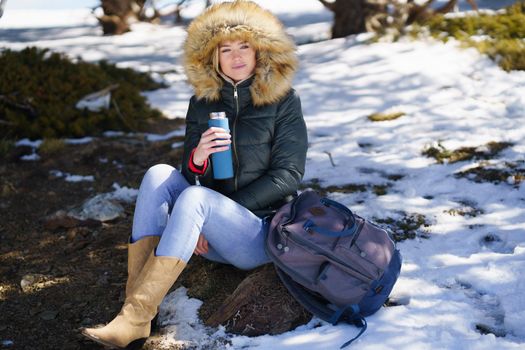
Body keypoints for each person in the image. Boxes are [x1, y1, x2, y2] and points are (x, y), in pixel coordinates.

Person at [81, 0, 307, 348]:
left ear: (260, 49)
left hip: (255, 232)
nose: (236, 56)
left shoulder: (284, 101)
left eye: (244, 46)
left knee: (198, 198)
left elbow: (288, 175)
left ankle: (136, 316)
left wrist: (211, 212)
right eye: (225, 49)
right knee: (159, 173)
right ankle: (136, 312)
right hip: (206, 230)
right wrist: (199, 156)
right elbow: (189, 173)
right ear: (212, 58)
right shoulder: (202, 103)